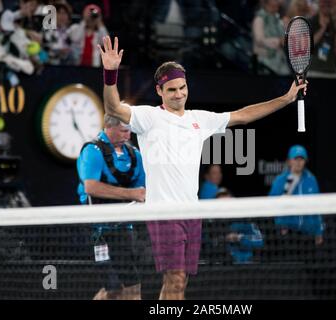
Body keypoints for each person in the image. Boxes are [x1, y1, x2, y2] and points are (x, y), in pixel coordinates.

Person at [98, 35, 307, 300]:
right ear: (160, 91)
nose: (179, 94)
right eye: (172, 89)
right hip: (164, 213)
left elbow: (243, 115)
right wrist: (110, 73)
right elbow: (113, 107)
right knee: (174, 278)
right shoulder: (149, 117)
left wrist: (287, 99)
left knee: (180, 282)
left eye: (182, 88)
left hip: (192, 212)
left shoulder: (200, 120)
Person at [77, 114, 146, 300]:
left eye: (129, 130)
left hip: (124, 229)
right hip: (97, 231)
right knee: (113, 290)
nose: (128, 135)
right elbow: (90, 186)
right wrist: (132, 194)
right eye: (124, 130)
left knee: (133, 288)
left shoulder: (135, 155)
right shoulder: (92, 151)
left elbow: (143, 190)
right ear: (109, 127)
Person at [268, 145, 324, 265]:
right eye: (296, 159)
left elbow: (317, 207)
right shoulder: (280, 180)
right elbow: (272, 205)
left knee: (310, 270)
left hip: (308, 233)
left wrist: (319, 231)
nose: (298, 163)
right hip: (288, 234)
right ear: (289, 161)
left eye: (301, 159)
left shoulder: (311, 179)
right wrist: (281, 225)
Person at [217, 188, 264, 264]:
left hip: (248, 265)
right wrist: (223, 239)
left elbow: (259, 242)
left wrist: (239, 237)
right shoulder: (213, 223)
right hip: (223, 266)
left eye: (227, 201)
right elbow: (211, 245)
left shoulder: (246, 220)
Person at [252, 0, 290, 76]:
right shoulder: (259, 18)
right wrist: (278, 41)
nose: (277, 4)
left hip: (280, 60)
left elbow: (286, 37)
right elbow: (259, 40)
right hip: (264, 60)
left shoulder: (278, 19)